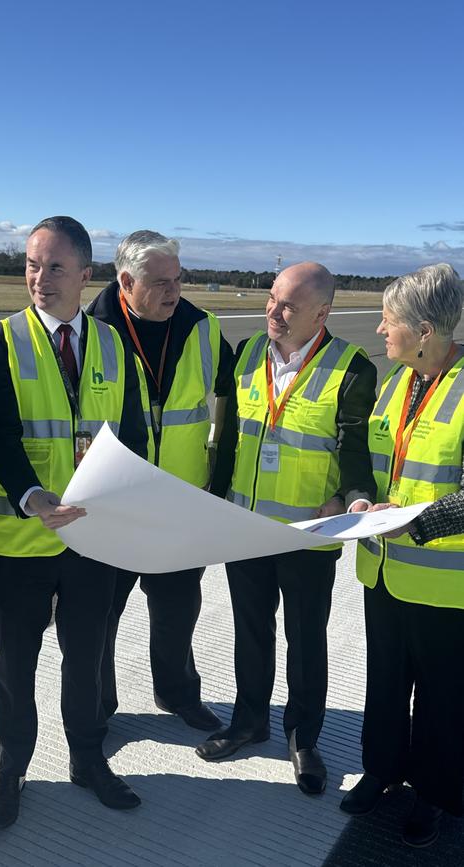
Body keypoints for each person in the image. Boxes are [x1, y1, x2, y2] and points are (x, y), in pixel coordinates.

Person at [0, 216, 146, 830]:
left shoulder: (111, 343)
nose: (38, 278)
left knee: (88, 656)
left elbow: (130, 437)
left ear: (85, 275)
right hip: (19, 540)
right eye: (30, 264)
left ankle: (87, 759)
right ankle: (10, 770)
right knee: (15, 666)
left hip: (92, 539)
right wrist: (30, 496)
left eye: (53, 267)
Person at [196, 262, 377, 796]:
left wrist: (351, 498)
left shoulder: (352, 368)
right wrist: (214, 499)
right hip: (246, 527)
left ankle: (304, 739)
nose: (273, 311)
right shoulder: (248, 352)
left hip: (306, 536)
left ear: (321, 313)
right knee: (250, 632)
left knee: (305, 638)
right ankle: (249, 722)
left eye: (289, 306)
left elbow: (355, 447)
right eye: (272, 298)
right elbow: (226, 436)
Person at [88, 230, 234, 731]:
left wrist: (223, 473)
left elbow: (234, 399)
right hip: (114, 501)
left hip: (178, 501)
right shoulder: (91, 329)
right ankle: (99, 706)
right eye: (160, 282)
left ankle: (177, 694)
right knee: (102, 614)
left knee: (177, 609)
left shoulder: (203, 327)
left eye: (178, 279)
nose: (174, 292)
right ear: (125, 281)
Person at [340, 263, 464, 847]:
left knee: (443, 697)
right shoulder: (397, 381)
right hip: (383, 572)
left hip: (444, 585)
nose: (380, 328)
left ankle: (435, 795)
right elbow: (368, 455)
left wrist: (413, 524)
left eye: (389, 319)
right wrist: (363, 498)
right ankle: (383, 772)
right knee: (384, 684)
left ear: (423, 330)